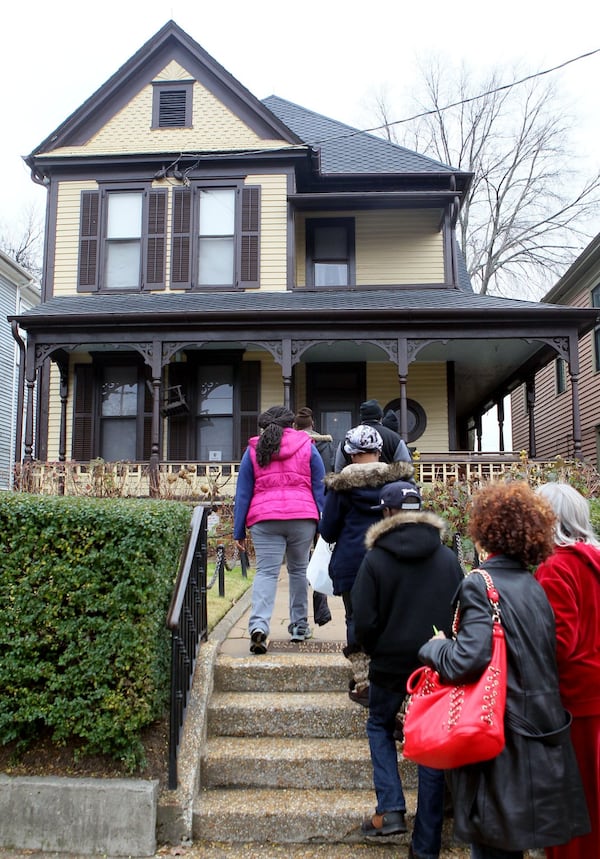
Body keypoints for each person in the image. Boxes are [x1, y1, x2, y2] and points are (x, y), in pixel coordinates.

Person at [418, 482, 590, 859]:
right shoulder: (533, 584)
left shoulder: (480, 583)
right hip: (539, 731)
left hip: (498, 736)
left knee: (492, 848)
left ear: (485, 531)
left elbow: (467, 660)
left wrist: (435, 648)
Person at [352, 480, 463, 852]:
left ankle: (391, 808)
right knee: (431, 743)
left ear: (386, 513)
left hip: (388, 662)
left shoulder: (376, 558)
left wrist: (374, 649)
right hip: (436, 661)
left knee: (380, 725)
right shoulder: (447, 557)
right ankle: (426, 844)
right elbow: (460, 610)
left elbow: (363, 620)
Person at [319, 424, 414, 705]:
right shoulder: (399, 484)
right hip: (392, 561)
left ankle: (363, 681)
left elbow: (328, 531)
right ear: (378, 451)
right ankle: (390, 677)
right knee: (390, 617)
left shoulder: (341, 488)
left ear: (349, 455)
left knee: (355, 619)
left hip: (352, 562)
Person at [534, 482, 600, 859]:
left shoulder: (557, 568)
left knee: (573, 804)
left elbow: (559, 644)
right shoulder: (594, 559)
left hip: (573, 701)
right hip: (595, 694)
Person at [233, 406, 325, 654]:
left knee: (266, 573)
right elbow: (319, 486)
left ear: (264, 427)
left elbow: (243, 493)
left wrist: (238, 530)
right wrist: (323, 521)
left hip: (264, 519)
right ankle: (298, 626)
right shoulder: (307, 447)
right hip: (302, 517)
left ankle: (259, 627)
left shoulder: (253, 451)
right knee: (298, 571)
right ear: (291, 425)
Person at [294, 406, 334, 627]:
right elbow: (329, 475)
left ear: (295, 426)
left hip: (298, 507)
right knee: (321, 557)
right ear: (313, 425)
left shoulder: (291, 444)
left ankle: (300, 618)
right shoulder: (325, 445)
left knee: (299, 562)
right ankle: (321, 609)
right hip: (321, 505)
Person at [333, 399, 411, 472]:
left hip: (353, 485)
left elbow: (339, 470)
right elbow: (405, 468)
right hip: (388, 484)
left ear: (361, 417)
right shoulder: (395, 439)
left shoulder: (347, 440)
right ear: (380, 417)